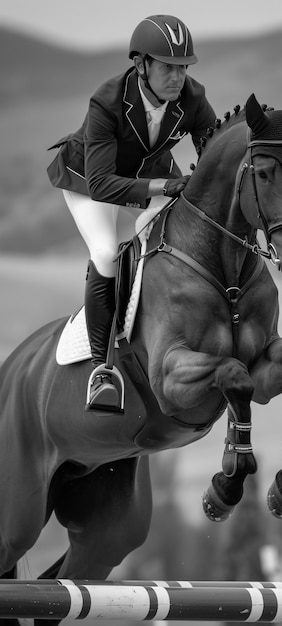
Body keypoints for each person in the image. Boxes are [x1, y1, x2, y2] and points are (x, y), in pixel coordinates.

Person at [47, 15, 216, 412]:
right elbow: (103, 183)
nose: (178, 78)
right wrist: (162, 187)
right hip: (89, 181)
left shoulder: (192, 97)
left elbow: (212, 153)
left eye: (183, 68)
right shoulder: (106, 101)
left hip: (146, 175)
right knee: (106, 252)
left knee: (171, 232)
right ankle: (101, 369)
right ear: (141, 64)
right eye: (168, 67)